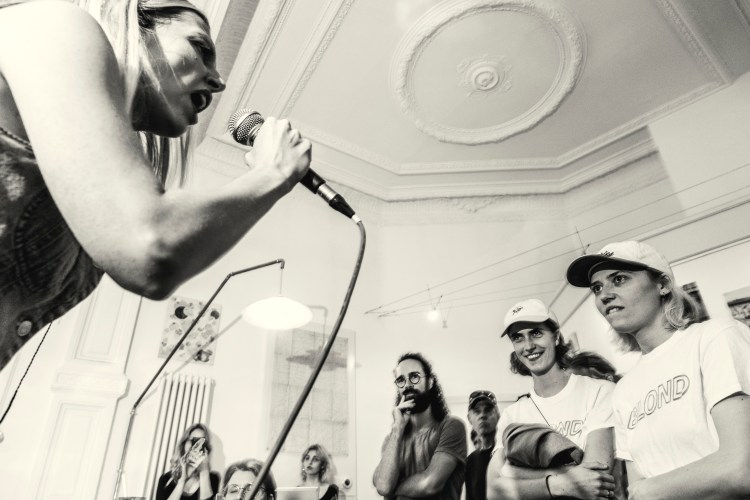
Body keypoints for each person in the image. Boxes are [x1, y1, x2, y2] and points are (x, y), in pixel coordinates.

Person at [0, 0, 311, 370]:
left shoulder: (88, 171)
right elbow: (150, 247)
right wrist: (273, 172)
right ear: (134, 25)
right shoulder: (52, 25)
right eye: (200, 47)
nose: (219, 81)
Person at [566, 240, 750, 499]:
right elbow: (635, 484)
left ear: (662, 285)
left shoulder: (715, 338)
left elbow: (741, 470)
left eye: (619, 279)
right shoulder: (624, 390)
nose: (604, 294)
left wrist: (649, 490)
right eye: (597, 288)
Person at [486, 299, 617, 500]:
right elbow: (494, 491)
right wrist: (560, 483)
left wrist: (514, 474)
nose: (528, 346)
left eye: (536, 333)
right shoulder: (512, 415)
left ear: (555, 337)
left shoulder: (599, 391)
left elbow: (596, 478)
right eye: (518, 338)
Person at [373, 352, 467, 499]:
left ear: (430, 382)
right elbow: (383, 486)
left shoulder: (451, 427)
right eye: (401, 380)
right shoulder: (392, 439)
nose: (407, 385)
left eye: (414, 377)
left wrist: (393, 487)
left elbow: (429, 484)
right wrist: (397, 429)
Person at [156, 423, 221, 500]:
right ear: (184, 444)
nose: (196, 445)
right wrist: (181, 481)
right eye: (192, 440)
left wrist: (204, 472)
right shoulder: (166, 479)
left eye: (201, 441)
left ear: (205, 448)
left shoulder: (213, 479)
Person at [464, 390, 499, 500]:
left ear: (498, 415)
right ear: (469, 418)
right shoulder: (469, 462)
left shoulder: (509, 453)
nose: (482, 415)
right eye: (477, 411)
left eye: (488, 410)